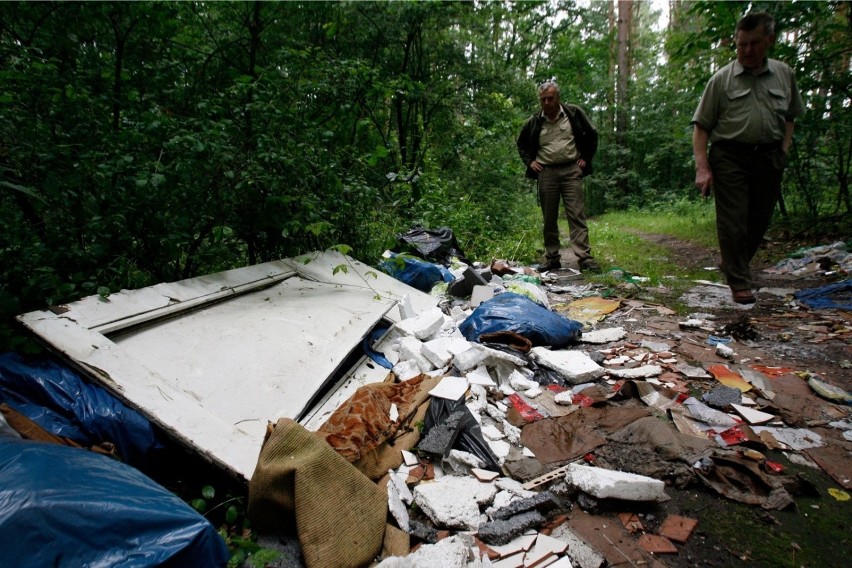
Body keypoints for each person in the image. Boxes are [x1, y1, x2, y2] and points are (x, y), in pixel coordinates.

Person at [692, 12, 804, 304]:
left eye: (754, 44)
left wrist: (784, 149)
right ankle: (740, 281)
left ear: (769, 40)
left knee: (759, 220)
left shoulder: (783, 74)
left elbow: (791, 116)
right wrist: (702, 167)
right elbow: (702, 126)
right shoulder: (721, 80)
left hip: (769, 156)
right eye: (742, 45)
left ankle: (733, 263)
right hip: (730, 155)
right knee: (733, 220)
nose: (747, 51)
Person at [517, 80, 600, 273]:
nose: (546, 103)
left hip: (572, 170)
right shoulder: (535, 121)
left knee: (576, 214)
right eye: (543, 99)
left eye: (550, 98)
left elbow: (592, 134)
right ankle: (552, 257)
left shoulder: (574, 114)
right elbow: (521, 143)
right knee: (549, 217)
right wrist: (530, 162)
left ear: (558, 98)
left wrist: (585, 158)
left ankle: (585, 258)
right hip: (546, 172)